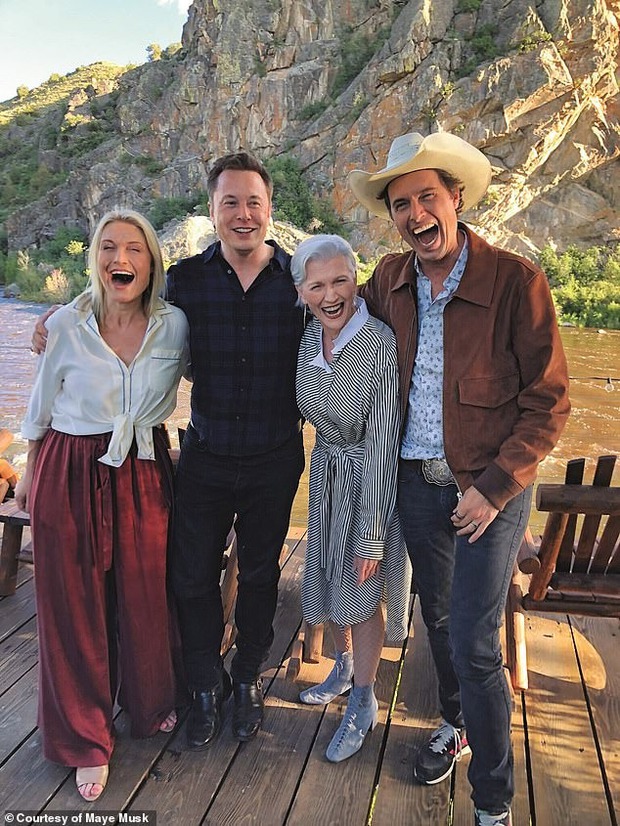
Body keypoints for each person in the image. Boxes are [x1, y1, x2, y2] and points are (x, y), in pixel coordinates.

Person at [349, 132, 570, 825]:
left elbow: (549, 403)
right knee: (438, 619)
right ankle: (456, 722)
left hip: (491, 489)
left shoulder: (516, 282)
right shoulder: (388, 280)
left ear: (457, 199)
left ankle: (494, 803)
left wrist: (496, 488)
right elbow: (328, 310)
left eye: (427, 197)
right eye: (400, 204)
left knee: (476, 644)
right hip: (418, 483)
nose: (415, 214)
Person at [16, 209, 189, 802]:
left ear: (151, 263)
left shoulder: (175, 325)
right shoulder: (66, 324)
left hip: (143, 467)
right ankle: (85, 739)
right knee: (74, 606)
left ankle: (149, 701)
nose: (122, 259)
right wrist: (29, 473)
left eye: (134, 249)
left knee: (145, 594)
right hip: (71, 465)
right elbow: (40, 405)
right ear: (95, 260)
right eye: (109, 247)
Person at [166, 152, 305, 748]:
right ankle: (205, 683)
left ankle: (247, 677)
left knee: (260, 574)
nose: (243, 214)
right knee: (191, 575)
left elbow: (353, 318)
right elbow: (119, 308)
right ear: (212, 209)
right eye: (231, 202)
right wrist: (61, 316)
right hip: (206, 454)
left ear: (269, 208)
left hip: (276, 455)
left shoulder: (301, 279)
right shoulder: (183, 281)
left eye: (253, 202)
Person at [291, 234, 411, 762]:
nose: (330, 295)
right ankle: (342, 669)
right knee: (331, 582)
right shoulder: (308, 340)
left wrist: (372, 534)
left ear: (356, 281)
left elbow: (384, 442)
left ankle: (363, 701)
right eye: (317, 285)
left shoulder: (378, 343)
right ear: (302, 292)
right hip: (327, 477)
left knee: (362, 594)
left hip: (369, 483)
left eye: (340, 280)